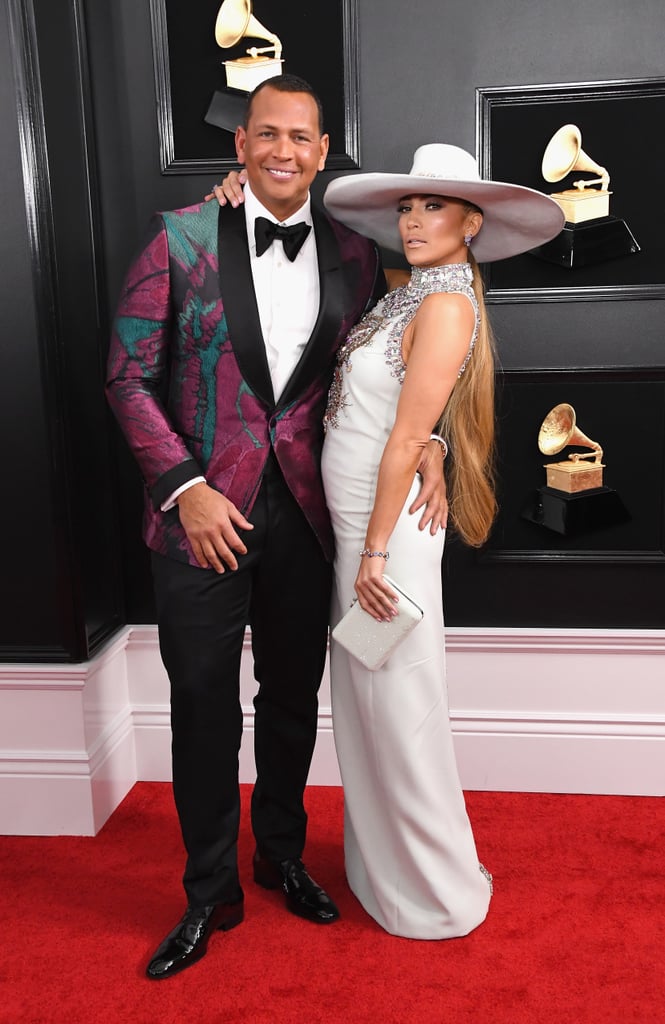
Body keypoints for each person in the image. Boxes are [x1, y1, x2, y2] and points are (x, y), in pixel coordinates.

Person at [106, 75, 447, 980]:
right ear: (243, 145)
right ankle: (207, 892)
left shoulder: (354, 251)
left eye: (301, 137)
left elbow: (388, 368)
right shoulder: (177, 238)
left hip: (306, 515)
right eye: (267, 135)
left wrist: (435, 439)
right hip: (200, 524)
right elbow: (127, 380)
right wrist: (184, 487)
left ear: (323, 149)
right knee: (204, 711)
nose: (283, 151)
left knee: (293, 701)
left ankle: (280, 855)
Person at [318, 143, 564, 938]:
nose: (414, 220)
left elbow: (402, 436)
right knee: (366, 703)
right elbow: (410, 421)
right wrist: (437, 450)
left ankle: (435, 890)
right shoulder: (410, 291)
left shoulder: (448, 303)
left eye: (433, 207)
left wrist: (376, 553)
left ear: (471, 222)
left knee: (399, 703)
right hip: (362, 525)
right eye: (408, 206)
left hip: (381, 536)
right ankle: (383, 865)